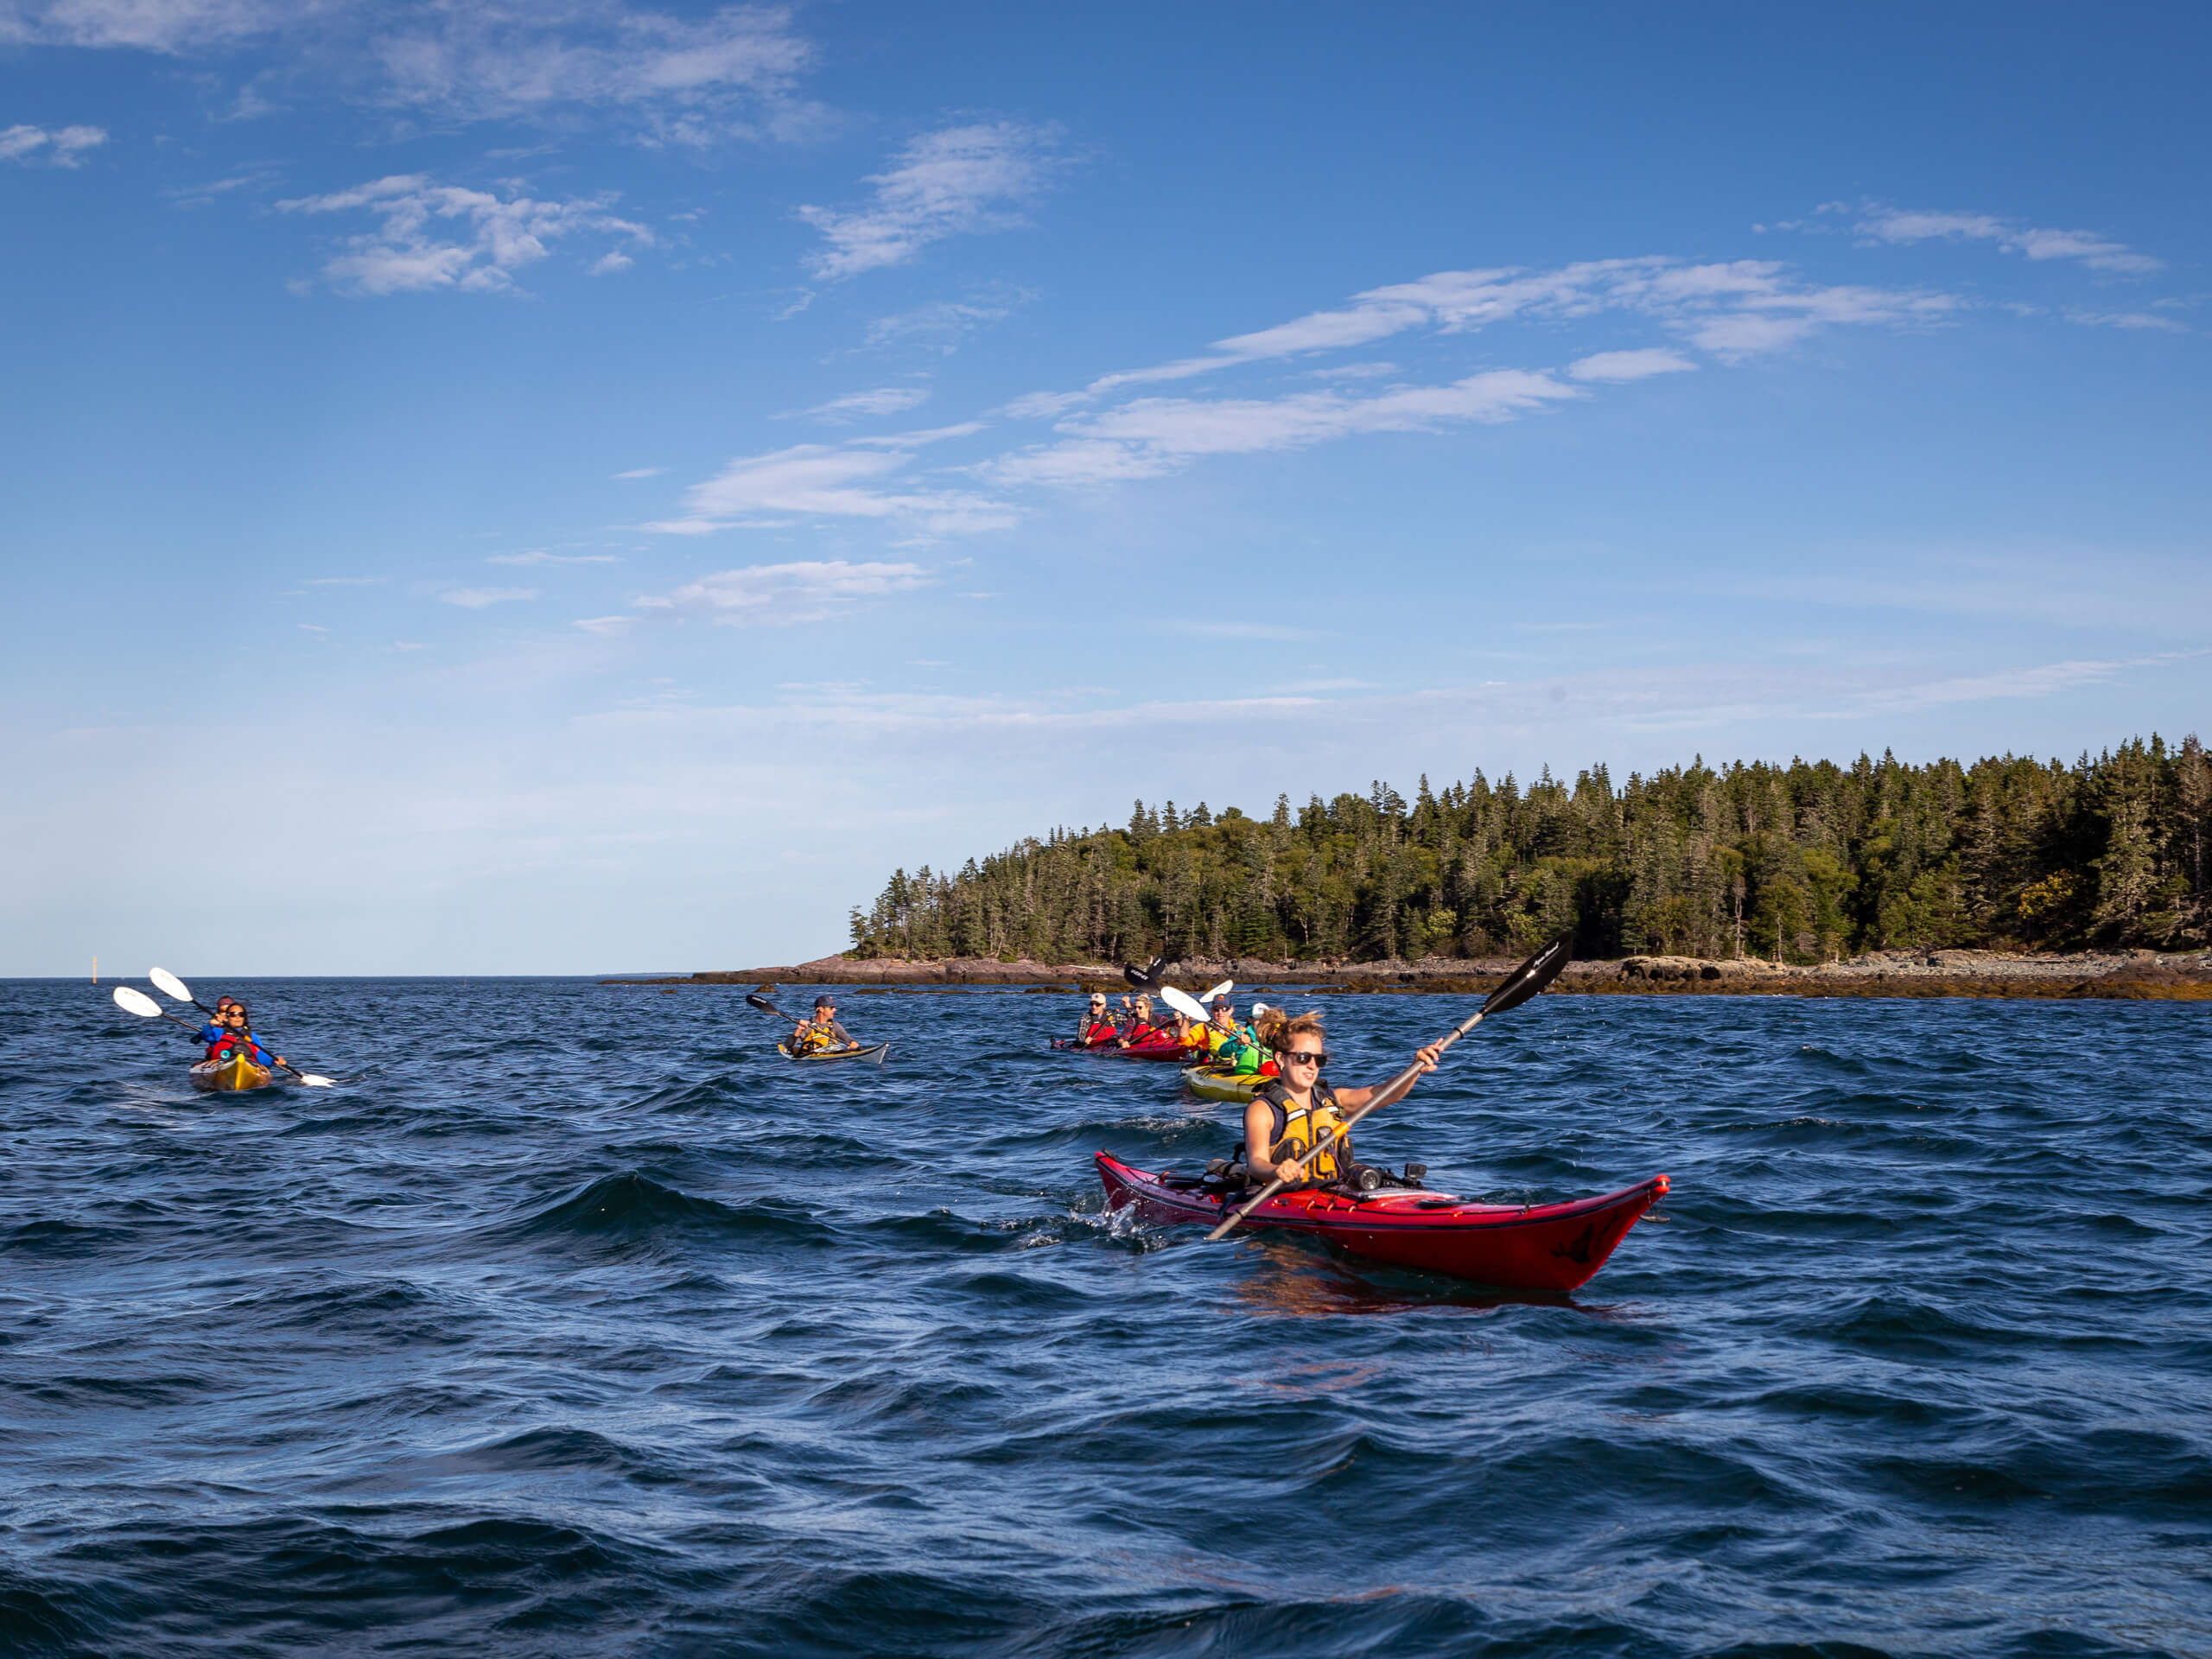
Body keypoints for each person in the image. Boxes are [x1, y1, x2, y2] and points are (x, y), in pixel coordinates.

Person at [1239, 1012, 1440, 1190]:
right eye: (1303, 1058)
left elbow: (1387, 1094)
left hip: (1333, 1192)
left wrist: (1415, 1069)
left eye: (1319, 1060)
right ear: (1281, 1059)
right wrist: (1276, 1171)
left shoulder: (1335, 1100)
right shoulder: (1263, 1109)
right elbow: (1256, 1163)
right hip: (1285, 1197)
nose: (1311, 1066)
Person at [207, 1001, 288, 1075]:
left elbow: (260, 1056)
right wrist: (210, 1025)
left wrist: (273, 1060)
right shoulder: (218, 1032)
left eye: (241, 1014)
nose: (237, 1017)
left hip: (247, 1064)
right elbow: (205, 1035)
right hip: (222, 1063)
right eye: (233, 1014)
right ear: (227, 1018)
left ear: (244, 1017)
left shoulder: (253, 1037)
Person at [790, 995, 855, 1055]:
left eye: (834, 1007)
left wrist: (853, 1044)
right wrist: (798, 1030)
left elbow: (849, 1041)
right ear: (821, 1009)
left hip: (833, 1062)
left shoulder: (835, 1026)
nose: (835, 1010)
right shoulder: (808, 1027)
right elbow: (788, 1046)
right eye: (831, 1007)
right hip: (812, 1063)